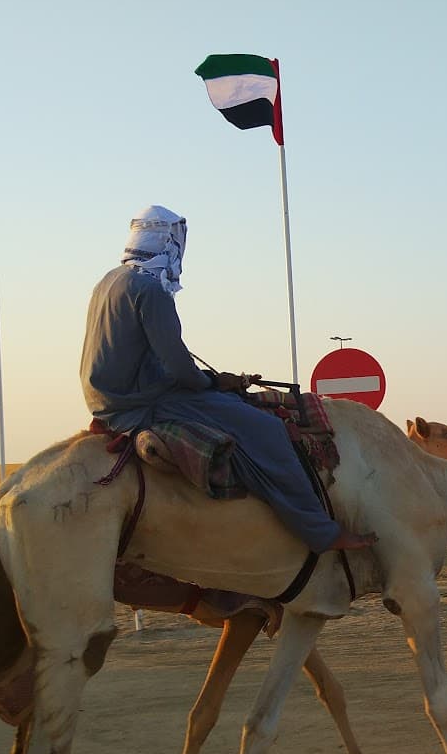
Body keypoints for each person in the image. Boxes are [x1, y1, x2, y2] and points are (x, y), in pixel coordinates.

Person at [80, 206, 375, 553]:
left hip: (106, 401)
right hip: (141, 404)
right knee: (268, 431)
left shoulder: (109, 282)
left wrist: (209, 379)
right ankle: (321, 532)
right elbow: (178, 367)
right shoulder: (150, 291)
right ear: (167, 243)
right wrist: (213, 383)